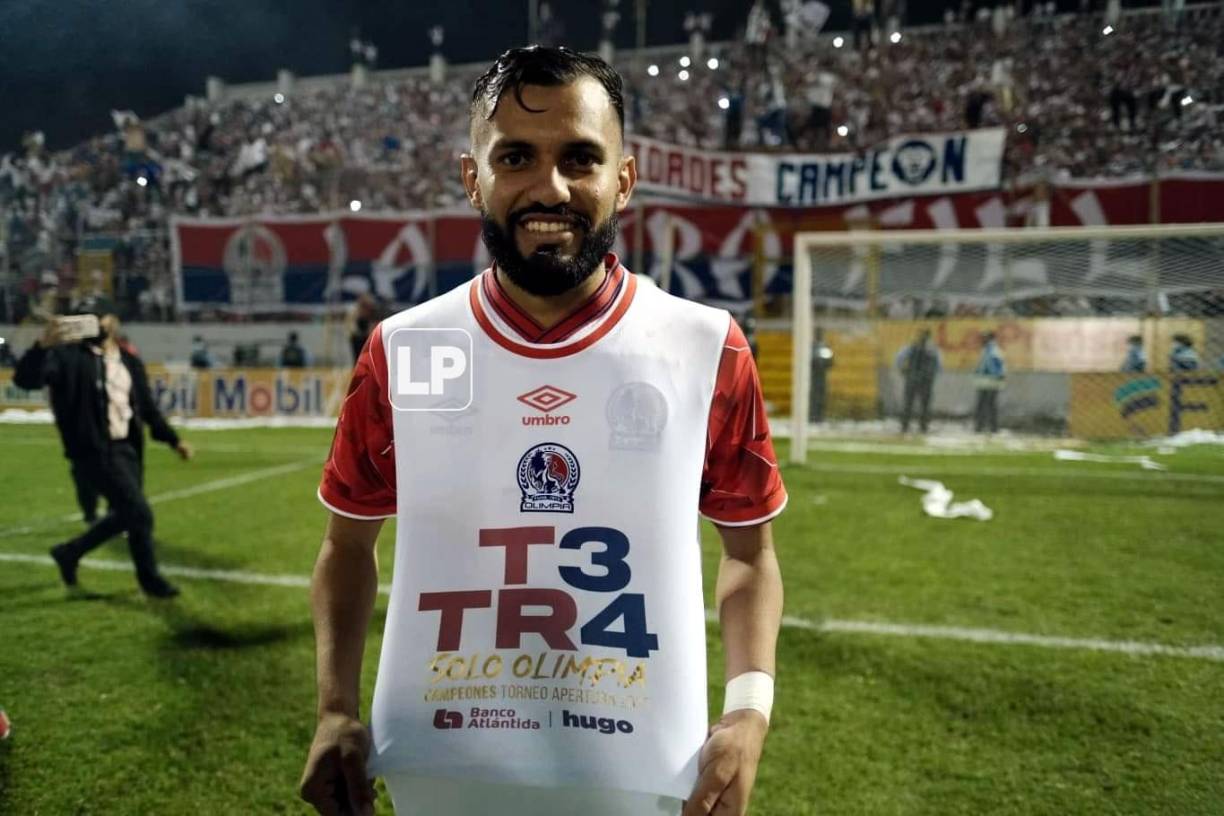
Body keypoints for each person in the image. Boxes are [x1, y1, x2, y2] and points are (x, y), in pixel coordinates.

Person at [299, 46, 786, 816]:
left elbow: (750, 555)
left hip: (643, 780)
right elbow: (346, 545)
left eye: (581, 158)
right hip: (441, 773)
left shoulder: (704, 346)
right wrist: (335, 708)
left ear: (623, 180)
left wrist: (749, 710)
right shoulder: (405, 349)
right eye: (516, 157)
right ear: (474, 178)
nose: (549, 187)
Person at [13, 305, 194, 597]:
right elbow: (26, 380)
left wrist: (174, 441)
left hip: (128, 450)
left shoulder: (129, 362)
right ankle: (150, 580)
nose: (99, 324)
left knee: (129, 515)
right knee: (139, 513)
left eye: (101, 317)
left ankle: (69, 553)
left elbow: (146, 408)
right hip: (93, 451)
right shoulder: (67, 357)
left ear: (113, 321)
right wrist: (42, 346)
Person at [896, 328, 941, 434]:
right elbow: (939, 365)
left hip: (912, 378)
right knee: (925, 405)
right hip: (926, 381)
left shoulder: (911, 347)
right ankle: (923, 427)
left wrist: (903, 370)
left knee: (908, 403)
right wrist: (932, 375)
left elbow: (899, 358)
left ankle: (905, 426)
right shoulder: (933, 350)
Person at [972, 330, 1005, 433]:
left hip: (988, 381)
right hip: (988, 381)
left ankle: (983, 426)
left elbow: (989, 366)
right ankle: (990, 427)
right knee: (990, 405)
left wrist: (980, 373)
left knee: (985, 405)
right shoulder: (991, 350)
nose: (982, 340)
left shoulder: (991, 350)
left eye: (985, 338)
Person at [809, 327, 834, 423]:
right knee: (813, 397)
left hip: (822, 376)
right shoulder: (813, 347)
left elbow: (831, 361)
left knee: (821, 396)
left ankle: (820, 417)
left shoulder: (825, 347)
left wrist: (824, 363)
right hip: (813, 376)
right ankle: (812, 417)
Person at [346, 292, 378, 365]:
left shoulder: (371, 313)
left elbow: (372, 326)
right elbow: (351, 327)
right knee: (358, 358)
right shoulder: (354, 312)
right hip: (357, 337)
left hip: (366, 337)